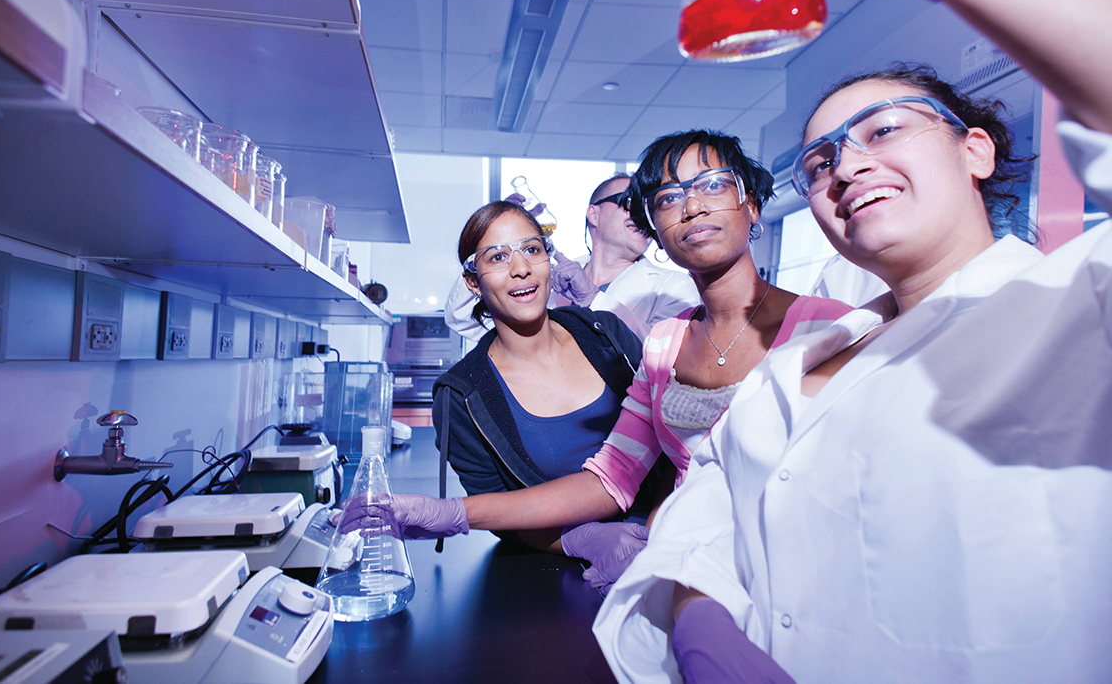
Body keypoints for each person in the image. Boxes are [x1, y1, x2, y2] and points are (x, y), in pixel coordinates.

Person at [595, 0, 1112, 681]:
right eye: (822, 160)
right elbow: (708, 512)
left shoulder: (1081, 303)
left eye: (883, 130)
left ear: (975, 150)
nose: (847, 165)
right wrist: (700, 619)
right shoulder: (799, 362)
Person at [359, 131, 849, 591]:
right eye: (669, 198)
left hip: (807, 577)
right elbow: (613, 475)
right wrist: (455, 513)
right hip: (687, 574)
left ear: (752, 205)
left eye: (713, 185)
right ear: (656, 230)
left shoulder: (832, 332)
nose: (692, 207)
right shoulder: (664, 344)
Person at [420, 199, 643, 554]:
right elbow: (501, 517)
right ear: (472, 282)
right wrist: (577, 542)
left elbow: (667, 443)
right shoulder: (461, 398)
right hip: (555, 585)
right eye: (497, 257)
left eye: (531, 249)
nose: (521, 268)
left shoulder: (607, 335)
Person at [445, 176, 700, 341]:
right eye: (629, 202)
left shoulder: (674, 288)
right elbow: (463, 318)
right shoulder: (546, 273)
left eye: (646, 207)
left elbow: (666, 363)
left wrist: (593, 300)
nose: (641, 215)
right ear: (594, 214)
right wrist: (494, 245)